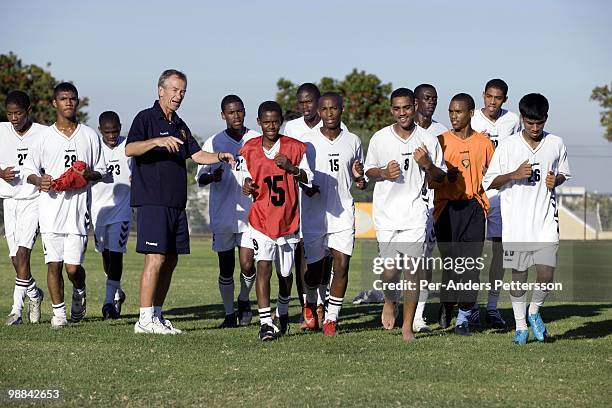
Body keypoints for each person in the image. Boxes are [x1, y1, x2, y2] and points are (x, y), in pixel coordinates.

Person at [126, 69, 234, 335]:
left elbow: (196, 155)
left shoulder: (180, 124)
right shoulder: (145, 118)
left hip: (176, 203)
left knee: (171, 259)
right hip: (153, 201)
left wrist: (220, 155)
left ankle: (157, 316)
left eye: (183, 91)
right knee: (155, 258)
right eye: (174, 90)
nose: (179, 95)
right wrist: (157, 141)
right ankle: (143, 319)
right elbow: (130, 149)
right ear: (160, 90)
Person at [483, 93, 570, 344]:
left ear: (546, 118)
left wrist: (558, 180)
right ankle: (520, 327)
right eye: (530, 122)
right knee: (519, 274)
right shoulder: (509, 146)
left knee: (546, 272)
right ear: (522, 118)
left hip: (545, 220)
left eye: (539, 122)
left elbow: (563, 172)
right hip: (516, 225)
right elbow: (490, 181)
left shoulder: (556, 143)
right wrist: (513, 174)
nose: (534, 128)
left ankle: (533, 312)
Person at [23, 82, 106, 328]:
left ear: (77, 102)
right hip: (50, 211)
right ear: (54, 103)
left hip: (78, 212)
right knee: (53, 264)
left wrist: (83, 175)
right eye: (63, 98)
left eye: (72, 98)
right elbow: (28, 170)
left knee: (72, 269)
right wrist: (40, 180)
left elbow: (101, 171)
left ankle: (79, 290)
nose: (68, 102)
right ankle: (59, 314)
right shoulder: (43, 137)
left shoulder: (90, 135)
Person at [365, 88, 445, 341]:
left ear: (415, 107)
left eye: (407, 108)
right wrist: (383, 173)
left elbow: (440, 177)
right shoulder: (380, 138)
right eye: (397, 109)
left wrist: (427, 165)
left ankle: (408, 326)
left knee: (413, 270)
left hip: (415, 213)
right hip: (386, 215)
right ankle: (390, 300)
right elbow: (368, 172)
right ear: (391, 110)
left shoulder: (428, 140)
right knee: (389, 273)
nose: (403, 113)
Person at [240, 101, 313, 341]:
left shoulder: (295, 148)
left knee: (285, 275)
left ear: (280, 121)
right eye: (266, 121)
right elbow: (245, 176)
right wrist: (247, 185)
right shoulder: (249, 148)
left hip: (288, 221)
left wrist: (291, 168)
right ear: (259, 122)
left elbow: (309, 179)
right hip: (260, 220)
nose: (271, 126)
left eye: (275, 121)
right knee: (263, 267)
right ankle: (265, 323)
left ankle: (282, 312)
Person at [301, 92, 367, 336]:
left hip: (342, 214)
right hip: (314, 215)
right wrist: (307, 188)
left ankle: (331, 319)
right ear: (318, 112)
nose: (329, 113)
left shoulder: (353, 140)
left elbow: (361, 180)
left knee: (341, 265)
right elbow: (299, 177)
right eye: (325, 109)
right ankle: (310, 302)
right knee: (315, 271)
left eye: (334, 109)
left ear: (342, 110)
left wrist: (360, 177)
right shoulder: (306, 142)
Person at [431, 93, 494, 336]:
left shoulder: (484, 144)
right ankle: (447, 303)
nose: (453, 116)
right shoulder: (440, 141)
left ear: (470, 113)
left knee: (469, 266)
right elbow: (430, 180)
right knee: (451, 265)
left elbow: (493, 174)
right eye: (451, 112)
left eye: (458, 112)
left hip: (474, 208)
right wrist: (445, 176)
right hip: (446, 209)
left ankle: (464, 317)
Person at [196, 95, 259, 328]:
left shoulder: (256, 139)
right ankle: (229, 314)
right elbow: (200, 177)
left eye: (239, 111)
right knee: (225, 267)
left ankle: (244, 298)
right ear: (223, 115)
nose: (236, 116)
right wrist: (212, 175)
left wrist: (254, 185)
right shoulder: (213, 142)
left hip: (249, 215)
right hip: (222, 214)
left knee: (247, 265)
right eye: (231, 113)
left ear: (244, 112)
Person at [470, 78, 521, 328]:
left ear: (505, 99)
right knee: (473, 253)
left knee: (499, 254)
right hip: (477, 193)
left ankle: (491, 308)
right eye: (489, 96)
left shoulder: (512, 120)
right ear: (483, 96)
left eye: (498, 97)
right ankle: (469, 308)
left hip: (502, 194)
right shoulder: (472, 118)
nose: (492, 101)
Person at [1, 91, 46, 325]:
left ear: (29, 111)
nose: (14, 118)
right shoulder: (1, 131)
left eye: (18, 113)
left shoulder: (43, 133)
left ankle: (16, 311)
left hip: (33, 200)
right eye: (9, 114)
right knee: (15, 260)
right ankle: (35, 294)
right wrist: (0, 173)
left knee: (23, 254)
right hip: (9, 201)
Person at [413, 83, 449, 332]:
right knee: (393, 266)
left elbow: (442, 173)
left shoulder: (441, 132)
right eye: (427, 98)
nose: (432, 102)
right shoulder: (400, 129)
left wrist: (428, 166)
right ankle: (391, 305)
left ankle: (418, 315)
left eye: (434, 98)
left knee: (424, 261)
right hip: (399, 209)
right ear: (415, 102)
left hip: (430, 206)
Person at [90, 111, 131, 319]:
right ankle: (116, 291)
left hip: (121, 210)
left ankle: (108, 302)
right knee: (105, 255)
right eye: (107, 132)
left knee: (116, 254)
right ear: (100, 131)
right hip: (98, 211)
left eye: (115, 131)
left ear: (120, 127)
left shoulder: (129, 146)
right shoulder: (94, 148)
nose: (112, 136)